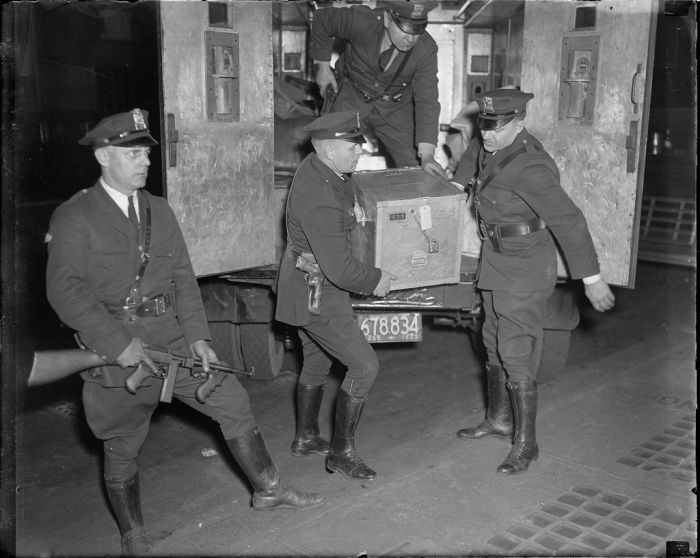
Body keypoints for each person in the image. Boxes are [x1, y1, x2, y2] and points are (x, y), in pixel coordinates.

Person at [45, 109, 324, 555]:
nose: (144, 162)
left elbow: (183, 279)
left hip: (173, 339)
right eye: (131, 153)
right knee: (122, 443)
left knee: (231, 399)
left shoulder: (159, 210)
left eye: (146, 154)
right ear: (102, 156)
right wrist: (119, 345)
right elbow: (66, 295)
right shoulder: (74, 216)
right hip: (117, 346)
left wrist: (199, 337)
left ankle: (268, 487)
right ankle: (132, 532)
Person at [451, 89, 616, 475]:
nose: (486, 134)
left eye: (496, 127)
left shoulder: (530, 168)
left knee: (515, 351)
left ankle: (527, 443)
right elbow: (475, 152)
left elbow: (570, 220)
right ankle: (498, 419)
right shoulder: (491, 141)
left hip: (525, 268)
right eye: (483, 125)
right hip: (495, 258)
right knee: (491, 340)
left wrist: (592, 280)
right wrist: (458, 185)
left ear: (520, 122)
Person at [275, 111, 395, 482]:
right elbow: (341, 270)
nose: (359, 150)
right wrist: (377, 279)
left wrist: (355, 205)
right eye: (352, 145)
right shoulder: (320, 199)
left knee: (315, 362)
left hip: (301, 283)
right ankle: (341, 453)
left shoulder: (319, 169)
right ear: (327, 149)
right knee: (364, 366)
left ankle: (307, 437)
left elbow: (345, 188)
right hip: (319, 293)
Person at [310, 0, 446, 178]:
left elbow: (427, 101)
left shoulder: (426, 49)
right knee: (331, 156)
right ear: (387, 19)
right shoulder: (362, 21)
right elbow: (322, 19)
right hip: (353, 95)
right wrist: (323, 67)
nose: (410, 38)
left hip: (395, 107)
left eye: (418, 29)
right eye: (405, 28)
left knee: (415, 167)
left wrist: (427, 154)